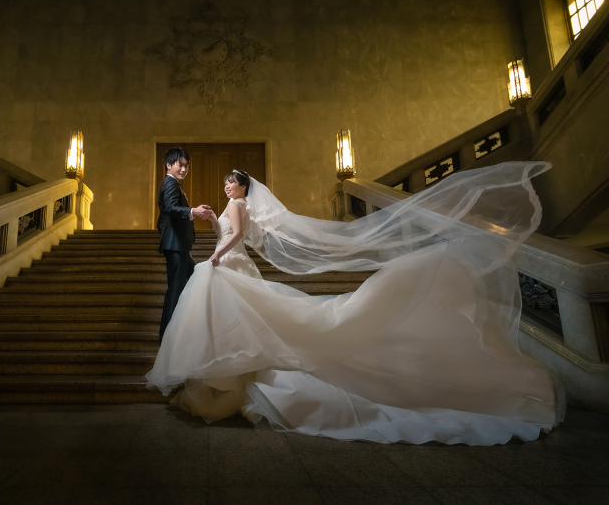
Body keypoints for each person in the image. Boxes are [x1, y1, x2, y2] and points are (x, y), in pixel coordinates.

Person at [147, 164, 564, 445]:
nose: (226, 188)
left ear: (243, 188)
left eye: (231, 183)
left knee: (238, 320)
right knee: (238, 322)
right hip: (227, 264)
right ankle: (223, 374)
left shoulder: (239, 205)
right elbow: (227, 229)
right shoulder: (233, 204)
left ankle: (222, 375)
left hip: (228, 264)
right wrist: (209, 224)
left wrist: (217, 256)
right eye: (224, 184)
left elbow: (235, 236)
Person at [156, 147, 213, 341]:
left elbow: (162, 218)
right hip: (176, 245)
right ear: (169, 165)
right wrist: (193, 212)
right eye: (180, 165)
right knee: (176, 288)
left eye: (186, 165)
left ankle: (188, 329)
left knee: (196, 276)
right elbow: (171, 208)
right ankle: (167, 337)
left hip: (177, 245)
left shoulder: (172, 184)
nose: (184, 169)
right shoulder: (170, 183)